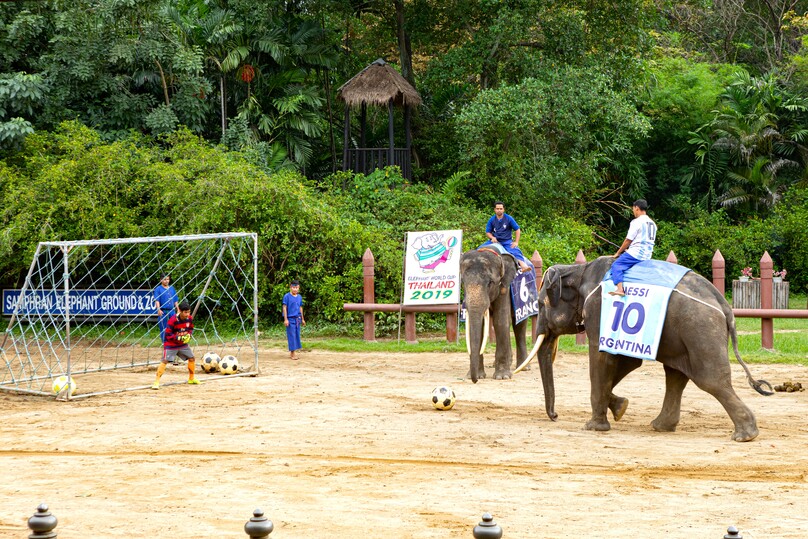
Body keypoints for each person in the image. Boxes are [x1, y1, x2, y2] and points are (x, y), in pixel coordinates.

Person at [610, 199, 657, 296]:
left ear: (637, 208)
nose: (633, 212)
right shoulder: (653, 224)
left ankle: (620, 289)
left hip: (636, 254)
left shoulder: (636, 222)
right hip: (647, 255)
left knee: (616, 265)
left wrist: (618, 253)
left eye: (633, 209)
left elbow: (628, 240)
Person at [151, 301, 199, 389]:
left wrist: (188, 334)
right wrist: (178, 338)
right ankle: (156, 382)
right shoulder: (173, 320)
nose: (187, 314)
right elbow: (168, 335)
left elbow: (191, 328)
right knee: (165, 361)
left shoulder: (189, 318)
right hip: (171, 344)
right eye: (185, 312)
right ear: (180, 311)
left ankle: (191, 379)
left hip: (182, 345)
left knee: (192, 358)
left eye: (189, 312)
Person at [481, 201, 532, 273]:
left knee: (515, 251)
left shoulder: (509, 218)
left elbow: (517, 229)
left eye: (501, 209)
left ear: (503, 209)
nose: (499, 210)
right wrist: (492, 237)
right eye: (497, 209)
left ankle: (523, 266)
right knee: (480, 249)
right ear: (494, 209)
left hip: (506, 241)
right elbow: (488, 232)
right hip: (495, 241)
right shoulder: (492, 220)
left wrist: (516, 242)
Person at [283, 280, 305, 360]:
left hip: (297, 319)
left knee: (296, 335)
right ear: (290, 287)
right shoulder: (287, 296)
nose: (295, 289)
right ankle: (292, 353)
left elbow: (300, 307)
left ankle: (294, 351)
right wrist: (286, 319)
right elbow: (284, 307)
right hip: (290, 319)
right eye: (293, 287)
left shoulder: (299, 297)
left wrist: (302, 319)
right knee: (291, 336)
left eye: (296, 287)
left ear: (298, 288)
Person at [154, 274, 179, 343]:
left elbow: (175, 300)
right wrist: (158, 309)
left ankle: (173, 341)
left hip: (172, 311)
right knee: (163, 328)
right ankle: (164, 343)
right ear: (161, 280)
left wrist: (178, 309)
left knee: (174, 326)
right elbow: (157, 300)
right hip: (163, 311)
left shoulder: (172, 288)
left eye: (167, 279)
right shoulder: (158, 289)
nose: (166, 281)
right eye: (165, 279)